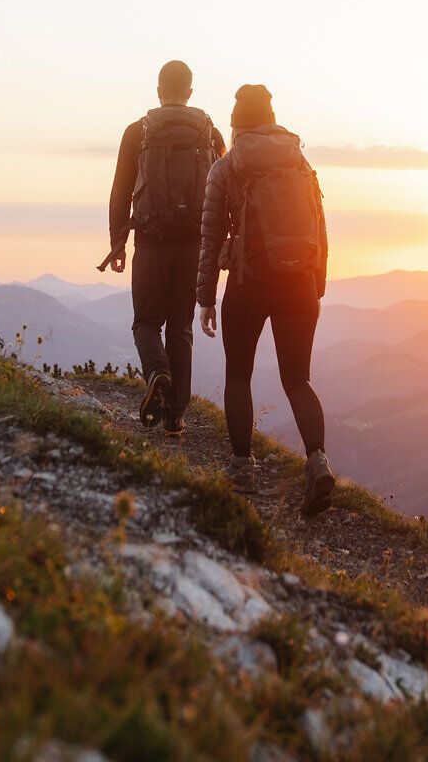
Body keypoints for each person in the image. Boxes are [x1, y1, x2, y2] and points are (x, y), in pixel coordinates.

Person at [196, 83, 335, 517]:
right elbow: (321, 231)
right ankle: (317, 462)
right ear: (272, 118)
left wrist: (205, 297)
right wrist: (316, 286)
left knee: (239, 375)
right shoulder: (300, 162)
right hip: (300, 285)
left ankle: (242, 467)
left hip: (248, 283)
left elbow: (211, 236)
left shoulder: (226, 167)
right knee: (298, 379)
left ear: (237, 124)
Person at [102, 60, 225, 435]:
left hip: (151, 241)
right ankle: (175, 415)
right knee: (180, 327)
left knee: (145, 322)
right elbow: (223, 196)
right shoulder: (210, 132)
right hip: (193, 244)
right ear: (190, 92)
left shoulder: (136, 131)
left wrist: (117, 241)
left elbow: (120, 191)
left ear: (159, 91)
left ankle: (156, 371)